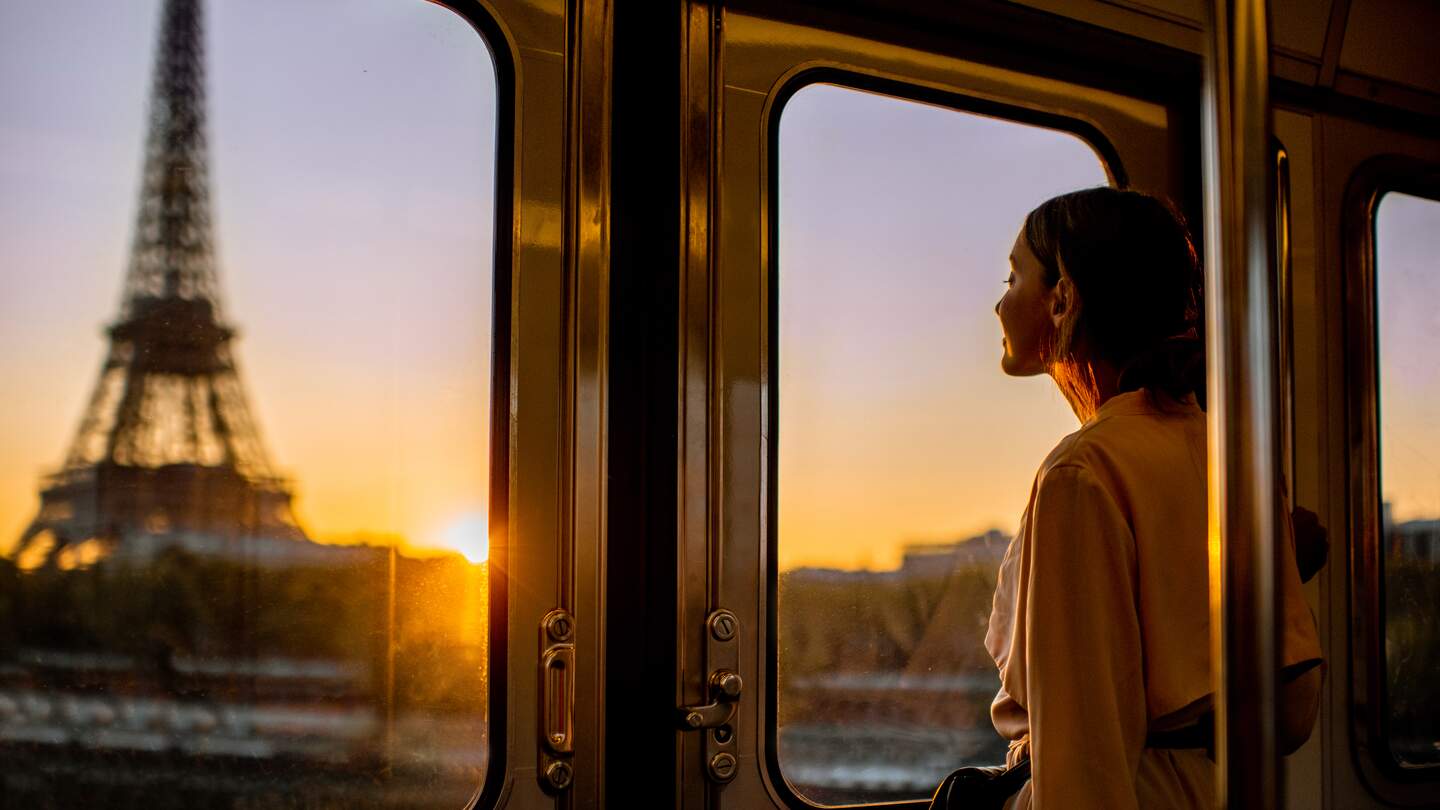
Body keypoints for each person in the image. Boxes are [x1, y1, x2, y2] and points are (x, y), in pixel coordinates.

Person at [951, 187, 1322, 810]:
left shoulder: (1082, 471)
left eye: (1015, 277)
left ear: (1064, 298)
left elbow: (1084, 764)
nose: (998, 302)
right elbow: (1290, 713)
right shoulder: (1233, 454)